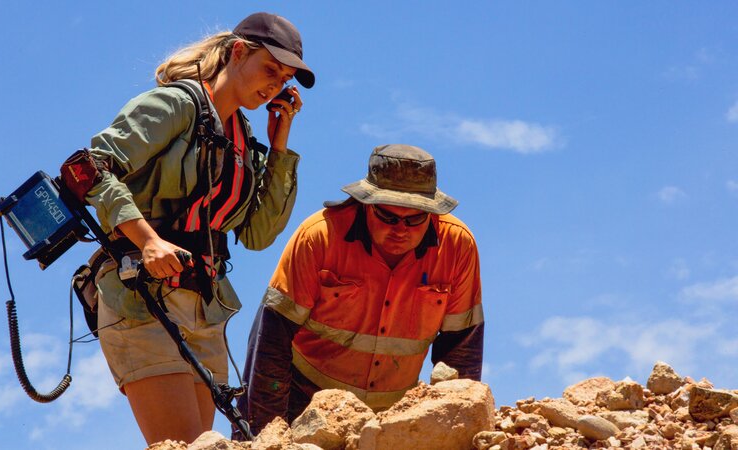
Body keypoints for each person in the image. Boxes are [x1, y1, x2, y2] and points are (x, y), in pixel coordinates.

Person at [82, 12, 315, 445]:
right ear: (238, 52)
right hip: (140, 297)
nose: (274, 86)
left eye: (283, 79)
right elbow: (90, 167)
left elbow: (258, 235)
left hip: (205, 309)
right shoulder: (175, 104)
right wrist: (148, 242)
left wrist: (279, 146)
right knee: (184, 444)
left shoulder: (244, 138)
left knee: (204, 444)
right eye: (269, 69)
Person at [237, 144, 484, 435]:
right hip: (303, 401)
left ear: (432, 212)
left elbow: (462, 352)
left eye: (415, 219)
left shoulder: (457, 246)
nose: (400, 229)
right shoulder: (318, 237)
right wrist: (267, 434)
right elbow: (270, 342)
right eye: (388, 217)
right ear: (366, 203)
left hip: (392, 415)